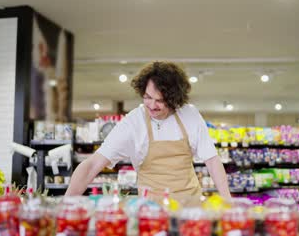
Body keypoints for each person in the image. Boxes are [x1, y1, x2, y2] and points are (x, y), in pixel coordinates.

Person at [65, 61, 231, 206]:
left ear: (174, 99)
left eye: (159, 100)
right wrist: (66, 204)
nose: (151, 105)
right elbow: (92, 165)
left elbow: (212, 161)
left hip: (189, 208)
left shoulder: (190, 115)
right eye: (147, 97)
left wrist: (228, 202)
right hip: (151, 212)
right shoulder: (133, 122)